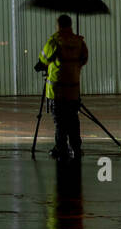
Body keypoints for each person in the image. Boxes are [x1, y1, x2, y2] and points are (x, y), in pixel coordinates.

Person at [35, 14, 89, 160]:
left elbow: (43, 59)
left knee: (60, 121)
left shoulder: (54, 41)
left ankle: (61, 148)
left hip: (57, 92)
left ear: (58, 25)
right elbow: (84, 59)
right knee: (73, 120)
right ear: (70, 25)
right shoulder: (79, 42)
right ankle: (76, 147)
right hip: (73, 91)